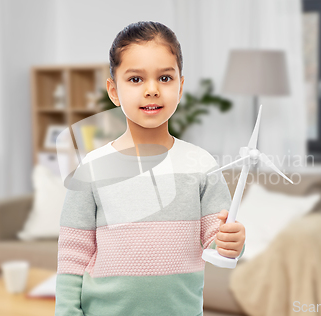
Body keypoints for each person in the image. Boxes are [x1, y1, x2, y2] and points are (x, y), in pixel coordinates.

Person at [55, 21, 246, 316]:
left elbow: (217, 241)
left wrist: (231, 241)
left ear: (180, 87)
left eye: (165, 78)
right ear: (113, 91)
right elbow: (73, 254)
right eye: (135, 79)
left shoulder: (201, 164)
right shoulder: (91, 168)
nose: (152, 90)